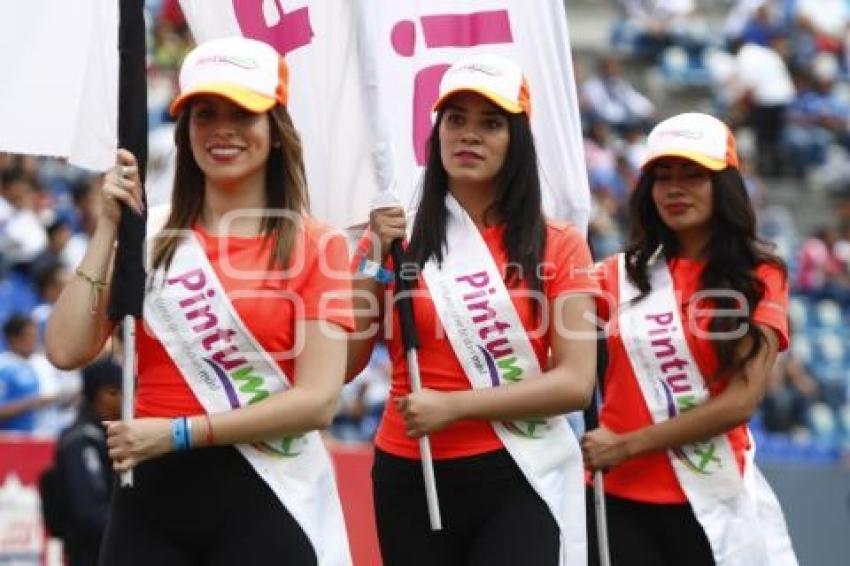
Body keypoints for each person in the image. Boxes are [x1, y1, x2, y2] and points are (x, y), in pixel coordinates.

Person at [46, 36, 353, 565]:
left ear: (275, 131)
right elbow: (66, 349)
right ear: (186, 130)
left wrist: (180, 432)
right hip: (149, 500)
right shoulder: (151, 232)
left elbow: (319, 401)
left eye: (243, 113)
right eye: (204, 114)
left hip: (267, 493)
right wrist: (109, 229)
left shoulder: (318, 244)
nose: (222, 130)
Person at [348, 54, 599, 565]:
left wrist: (456, 407)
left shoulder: (560, 244)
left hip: (519, 471)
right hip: (408, 472)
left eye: (490, 123)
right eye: (456, 120)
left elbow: (576, 383)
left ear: (517, 140)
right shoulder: (396, 238)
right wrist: (374, 257)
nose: (469, 135)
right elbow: (348, 362)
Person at [581, 112, 798, 565]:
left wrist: (627, 444)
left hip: (711, 501)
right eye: (663, 177)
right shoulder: (613, 276)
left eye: (694, 175)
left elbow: (742, 400)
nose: (675, 189)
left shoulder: (760, 276)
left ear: (725, 186)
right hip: (618, 500)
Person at [49, 356, 123, 566]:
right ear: (105, 394)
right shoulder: (81, 440)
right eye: (123, 391)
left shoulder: (108, 434)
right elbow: (90, 513)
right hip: (92, 555)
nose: (132, 398)